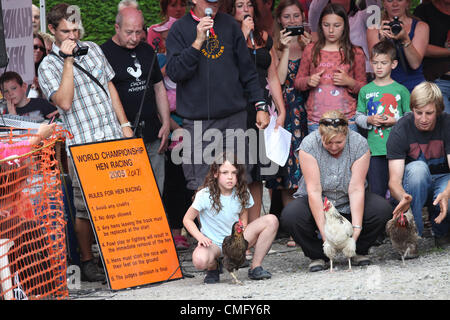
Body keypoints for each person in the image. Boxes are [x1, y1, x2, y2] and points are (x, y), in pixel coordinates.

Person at [38, 3, 133, 282]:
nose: (72, 36)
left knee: (120, 199)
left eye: (75, 29)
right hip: (82, 146)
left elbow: (110, 86)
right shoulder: (48, 66)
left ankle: (118, 255)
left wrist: (125, 125)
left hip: (112, 137)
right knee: (83, 208)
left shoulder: (93, 48)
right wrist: (68, 60)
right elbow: (64, 102)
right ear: (53, 31)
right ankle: (88, 260)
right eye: (65, 31)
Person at [165, 0, 269, 193]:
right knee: (202, 186)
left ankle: (240, 225)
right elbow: (175, 72)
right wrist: (197, 42)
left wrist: (260, 106)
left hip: (233, 119)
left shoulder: (230, 25)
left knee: (238, 180)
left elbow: (248, 71)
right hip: (198, 123)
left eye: (217, 1)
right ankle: (204, 225)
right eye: (209, 1)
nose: (214, 4)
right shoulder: (179, 29)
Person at [281, 110, 392, 272]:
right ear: (320, 136)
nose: (333, 147)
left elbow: (356, 189)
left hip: (348, 200)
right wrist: (326, 235)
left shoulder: (359, 144)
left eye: (338, 143)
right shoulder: (309, 145)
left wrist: (356, 230)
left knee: (382, 209)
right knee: (291, 215)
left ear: (346, 135)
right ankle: (318, 254)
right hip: (319, 203)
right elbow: (313, 191)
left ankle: (357, 250)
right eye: (328, 143)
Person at [222, 0, 286, 227]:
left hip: (261, 109)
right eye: (240, 5)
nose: (246, 9)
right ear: (231, 10)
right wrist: (241, 35)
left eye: (248, 4)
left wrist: (281, 108)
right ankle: (237, 228)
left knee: (257, 174)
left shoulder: (263, 37)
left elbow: (272, 75)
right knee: (239, 171)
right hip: (238, 108)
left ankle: (254, 229)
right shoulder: (226, 37)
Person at [101, 7, 171, 194]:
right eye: (129, 32)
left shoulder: (147, 50)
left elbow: (158, 87)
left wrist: (165, 123)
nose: (134, 38)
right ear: (117, 28)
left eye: (138, 32)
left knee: (156, 191)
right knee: (130, 193)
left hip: (152, 134)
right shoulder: (103, 53)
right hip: (122, 137)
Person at [183, 152, 279, 283]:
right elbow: (187, 219)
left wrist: (241, 237)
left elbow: (243, 216)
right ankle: (213, 267)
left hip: (235, 241)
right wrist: (200, 237)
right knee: (199, 260)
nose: (230, 177)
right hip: (214, 244)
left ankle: (256, 266)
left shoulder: (242, 192)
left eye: (234, 173)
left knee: (271, 220)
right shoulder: (204, 194)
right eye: (225, 173)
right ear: (216, 173)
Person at [387, 81, 450, 248]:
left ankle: (442, 232)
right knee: (418, 169)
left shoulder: (447, 123)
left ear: (438, 110)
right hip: (415, 182)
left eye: (429, 113)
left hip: (443, 178)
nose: (423, 119)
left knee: (447, 192)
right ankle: (413, 238)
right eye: (418, 112)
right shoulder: (401, 129)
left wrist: (447, 193)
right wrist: (402, 196)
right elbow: (394, 182)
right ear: (412, 109)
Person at [269, 0, 311, 246]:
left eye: (297, 15)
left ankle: (312, 223)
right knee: (288, 172)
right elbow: (281, 79)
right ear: (280, 20)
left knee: (308, 168)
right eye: (288, 16)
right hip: (286, 112)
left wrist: (309, 50)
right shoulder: (274, 45)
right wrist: (285, 50)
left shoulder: (311, 42)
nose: (293, 21)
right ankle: (296, 229)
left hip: (309, 110)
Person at [295, 3, 366, 132]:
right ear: (320, 26)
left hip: (347, 120)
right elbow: (298, 82)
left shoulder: (355, 52)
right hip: (317, 121)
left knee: (349, 152)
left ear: (345, 26)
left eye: (337, 25)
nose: (331, 30)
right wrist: (308, 81)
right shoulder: (311, 49)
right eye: (326, 25)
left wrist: (349, 82)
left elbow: (365, 90)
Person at [355, 40, 410, 199]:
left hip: (398, 149)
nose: (379, 67)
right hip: (374, 149)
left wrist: (395, 120)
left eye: (384, 63)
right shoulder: (365, 90)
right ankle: (380, 222)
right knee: (376, 192)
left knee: (397, 190)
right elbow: (357, 116)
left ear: (393, 64)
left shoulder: (401, 90)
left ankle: (399, 222)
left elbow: (410, 117)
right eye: (375, 62)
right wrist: (369, 119)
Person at [308, 0, 382, 80]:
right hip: (332, 77)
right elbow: (315, 10)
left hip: (363, 76)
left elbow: (374, 7)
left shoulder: (360, 17)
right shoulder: (324, 24)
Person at [367, 0, 429, 92]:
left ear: (407, 2)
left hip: (414, 88)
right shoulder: (374, 29)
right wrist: (383, 41)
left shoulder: (421, 26)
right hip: (386, 88)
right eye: (390, 0)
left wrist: (405, 39)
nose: (395, 4)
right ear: (384, 3)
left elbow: (415, 64)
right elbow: (376, 66)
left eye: (399, 0)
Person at [414, 0, 450, 113]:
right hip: (437, 80)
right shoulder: (424, 10)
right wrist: (448, 51)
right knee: (444, 125)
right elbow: (420, 48)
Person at [30, 33, 47, 98]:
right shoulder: (15, 71)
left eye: (42, 49)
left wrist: (40, 87)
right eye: (35, 47)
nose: (38, 50)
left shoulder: (45, 72)